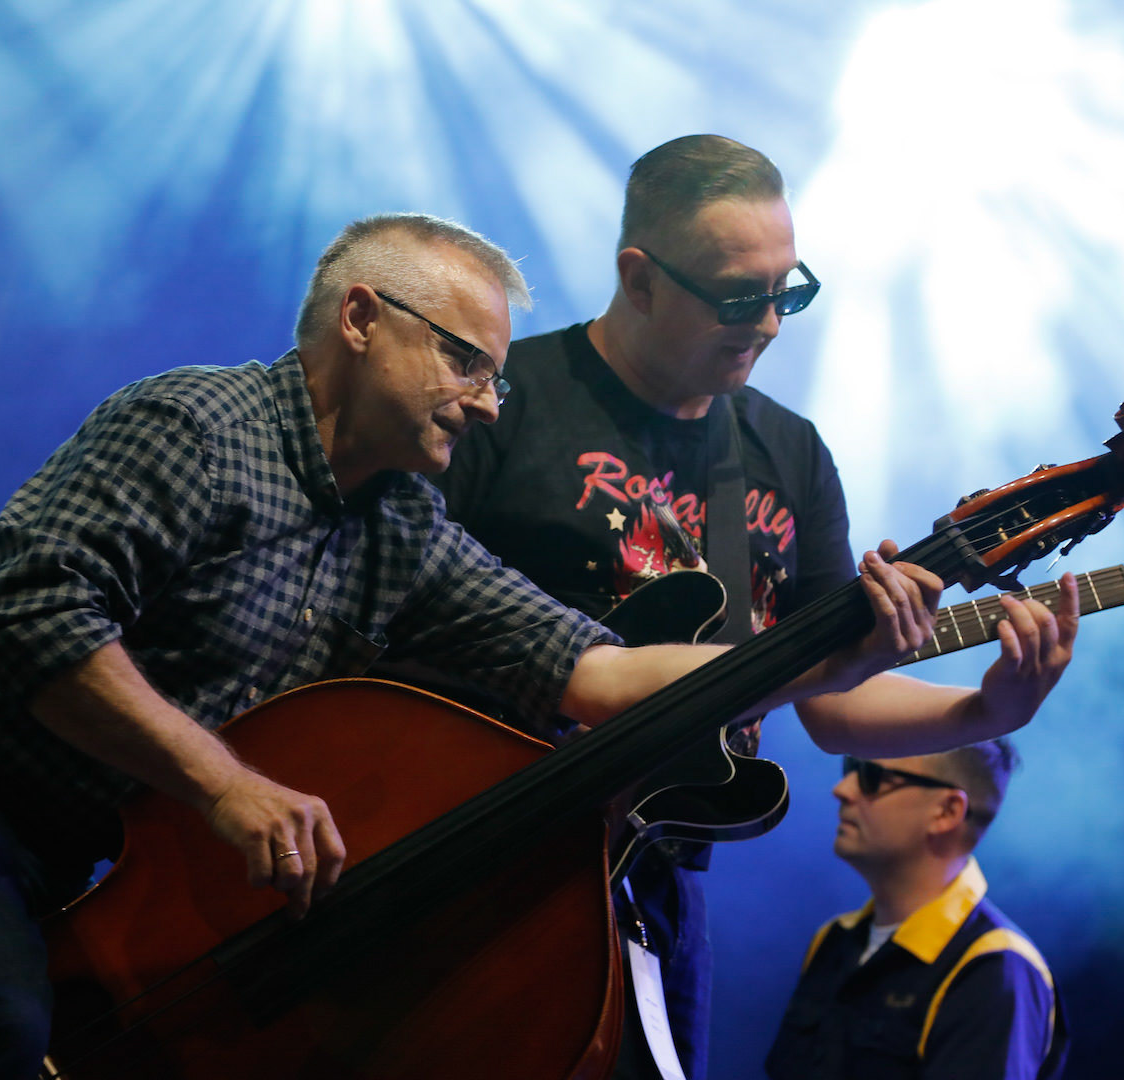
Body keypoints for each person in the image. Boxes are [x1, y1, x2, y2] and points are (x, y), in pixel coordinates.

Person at [0, 212, 997, 1080]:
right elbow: (38, 622)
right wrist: (225, 785)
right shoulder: (194, 425)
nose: (491, 401)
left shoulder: (401, 525)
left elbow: (600, 674)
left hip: (101, 840)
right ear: (363, 319)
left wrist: (835, 652)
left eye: (495, 372)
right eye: (466, 360)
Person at [433, 135, 1079, 1079]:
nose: (772, 323)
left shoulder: (790, 453)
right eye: (742, 298)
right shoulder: (507, 398)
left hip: (646, 879)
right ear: (639, 278)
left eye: (792, 290)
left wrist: (989, 711)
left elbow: (827, 704)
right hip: (468, 843)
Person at [765, 741, 1068, 1079]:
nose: (842, 789)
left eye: (871, 776)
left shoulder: (995, 967)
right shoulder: (832, 940)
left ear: (947, 811)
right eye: (849, 769)